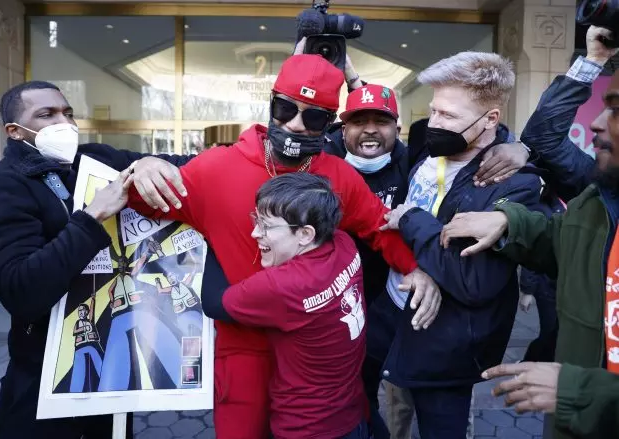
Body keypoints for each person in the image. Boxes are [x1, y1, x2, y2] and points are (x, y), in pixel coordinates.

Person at [127, 54, 442, 439]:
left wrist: (414, 269)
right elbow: (143, 200)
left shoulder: (338, 174)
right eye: (285, 108)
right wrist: (142, 167)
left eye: (313, 117)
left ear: (328, 123)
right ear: (272, 102)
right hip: (245, 349)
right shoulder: (215, 169)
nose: (295, 124)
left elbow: (380, 227)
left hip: (317, 356)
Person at [0, 81, 193, 438]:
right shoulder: (3, 185)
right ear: (14, 131)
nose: (65, 123)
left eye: (68, 113)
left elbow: (184, 167)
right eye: (46, 115)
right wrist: (92, 218)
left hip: (110, 371)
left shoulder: (94, 160)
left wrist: (149, 161)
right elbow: (20, 290)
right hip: (42, 376)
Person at [438, 28, 619, 439]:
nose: (596, 122)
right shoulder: (601, 197)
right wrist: (510, 221)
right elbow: (566, 236)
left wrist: (580, 391)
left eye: (617, 109)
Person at [380, 51, 542, 439]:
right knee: (389, 416)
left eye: (448, 116)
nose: (434, 123)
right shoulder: (427, 140)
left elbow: (473, 280)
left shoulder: (513, 184)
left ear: (490, 120)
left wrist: (411, 220)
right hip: (395, 317)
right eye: (433, 110)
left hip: (447, 346)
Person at [202, 172, 369, 439]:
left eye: (266, 226)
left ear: (305, 234)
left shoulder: (283, 286)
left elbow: (214, 303)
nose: (255, 233)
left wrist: (211, 237)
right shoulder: (344, 244)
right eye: (256, 220)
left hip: (305, 427)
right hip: (349, 416)